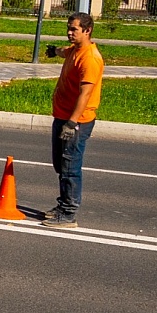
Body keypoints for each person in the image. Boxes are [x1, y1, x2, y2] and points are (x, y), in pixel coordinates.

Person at [41, 12, 104, 229]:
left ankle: (69, 214)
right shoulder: (75, 50)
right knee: (60, 164)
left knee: (70, 166)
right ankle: (63, 205)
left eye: (74, 29)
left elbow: (85, 94)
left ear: (87, 31)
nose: (69, 33)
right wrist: (53, 51)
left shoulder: (90, 58)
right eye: (68, 28)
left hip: (76, 121)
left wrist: (71, 123)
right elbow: (63, 51)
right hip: (61, 115)